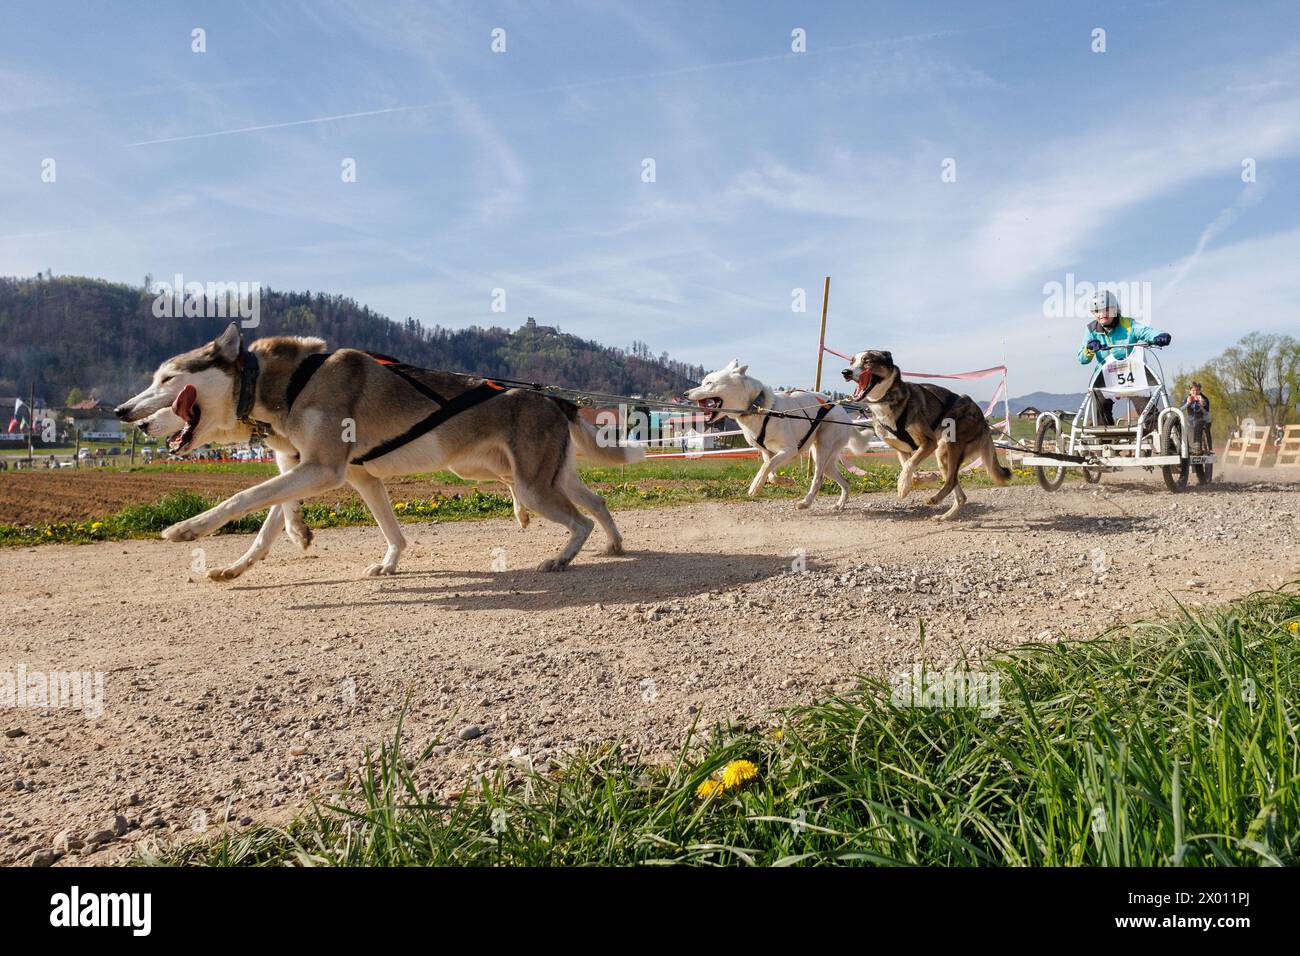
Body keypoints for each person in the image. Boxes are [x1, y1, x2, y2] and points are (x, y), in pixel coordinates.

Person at [1077, 290, 1171, 426]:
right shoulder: (1091, 330)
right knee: (1099, 403)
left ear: (1115, 309)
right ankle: (1106, 440)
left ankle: (1164, 440)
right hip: (1106, 375)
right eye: (1097, 311)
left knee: (1145, 406)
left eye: (1106, 310)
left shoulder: (1127, 324)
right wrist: (1089, 349)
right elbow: (1082, 359)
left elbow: (1145, 332)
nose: (1102, 314)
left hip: (1133, 373)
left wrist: (1158, 336)